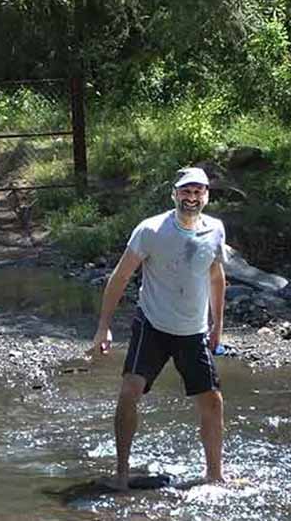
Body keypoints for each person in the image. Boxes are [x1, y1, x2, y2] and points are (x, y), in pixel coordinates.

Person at [91, 166, 227, 490]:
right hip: (152, 325)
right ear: (174, 194)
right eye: (186, 191)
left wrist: (218, 326)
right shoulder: (151, 230)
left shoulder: (216, 230)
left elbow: (217, 277)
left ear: (206, 196)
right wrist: (103, 328)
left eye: (198, 192)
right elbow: (120, 277)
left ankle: (215, 475)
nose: (191, 197)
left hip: (193, 331)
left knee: (212, 401)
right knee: (129, 392)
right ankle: (121, 475)